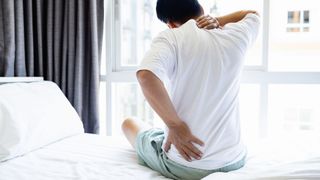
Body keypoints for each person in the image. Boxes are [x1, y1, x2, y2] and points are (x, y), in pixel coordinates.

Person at [122, 0, 260, 179]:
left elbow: (146, 76)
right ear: (201, 8)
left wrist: (175, 125)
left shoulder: (172, 37)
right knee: (157, 132)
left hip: (187, 166)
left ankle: (164, 132)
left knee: (129, 123)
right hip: (233, 160)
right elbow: (252, 14)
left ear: (171, 24)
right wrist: (216, 20)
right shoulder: (237, 34)